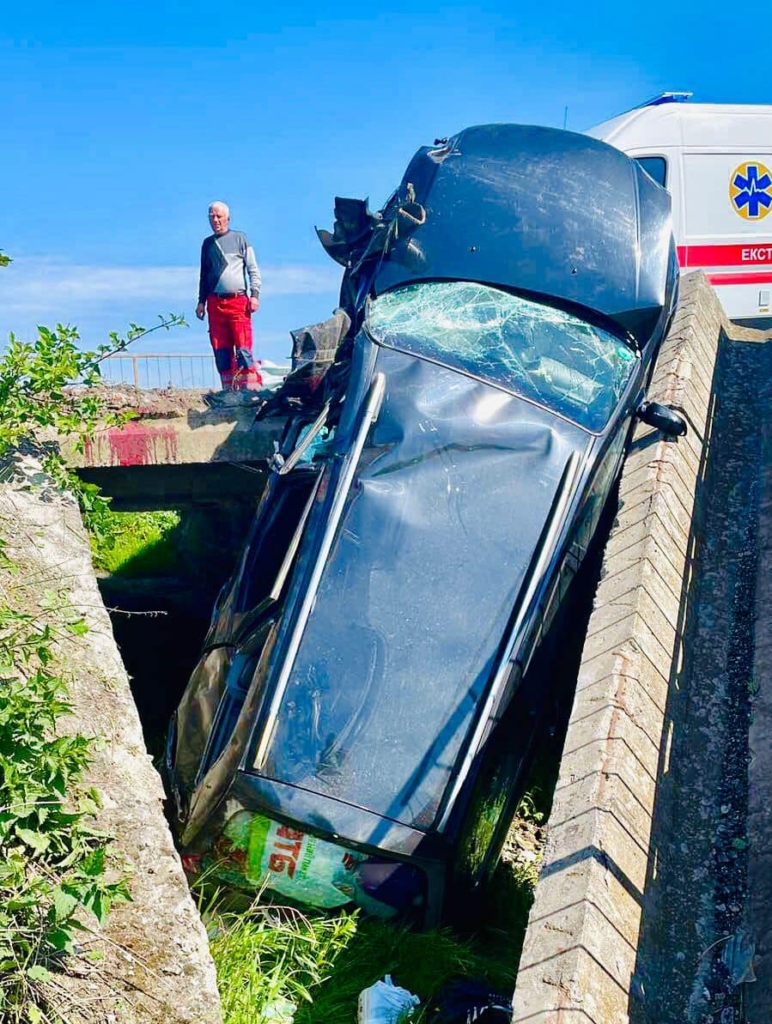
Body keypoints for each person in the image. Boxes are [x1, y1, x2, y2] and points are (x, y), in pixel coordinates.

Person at [196, 201, 263, 391]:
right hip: (214, 303)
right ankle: (228, 391)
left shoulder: (240, 238)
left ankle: (249, 390)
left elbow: (253, 269)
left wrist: (255, 295)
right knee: (221, 348)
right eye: (212, 217)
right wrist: (201, 301)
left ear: (227, 218)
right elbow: (204, 275)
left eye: (219, 216)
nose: (215, 220)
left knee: (242, 345)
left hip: (238, 301)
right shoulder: (207, 244)